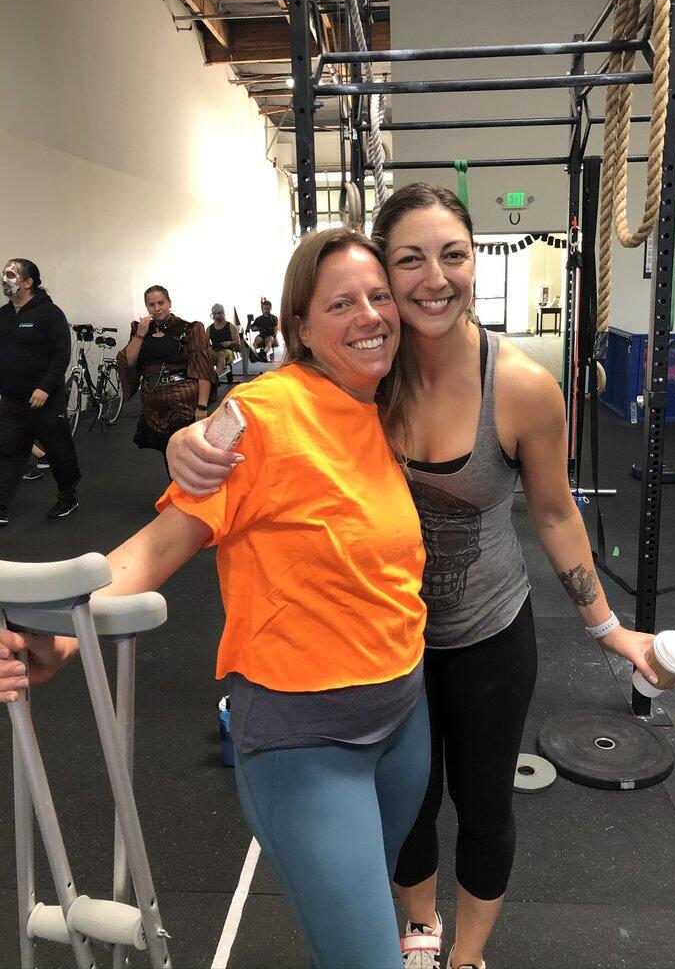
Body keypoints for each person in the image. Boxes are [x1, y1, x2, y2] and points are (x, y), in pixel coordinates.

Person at [165, 185, 662, 969]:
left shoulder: (521, 387)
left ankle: (468, 956)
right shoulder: (365, 373)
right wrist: (191, 435)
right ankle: (422, 931)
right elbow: (270, 409)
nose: (435, 277)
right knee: (410, 807)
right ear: (385, 275)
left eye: (453, 255)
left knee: (485, 804)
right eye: (410, 260)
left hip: (488, 633)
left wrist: (608, 627)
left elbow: (556, 513)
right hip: (389, 644)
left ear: (474, 263)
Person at [0, 228, 432, 969]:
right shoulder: (261, 417)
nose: (369, 315)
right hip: (307, 745)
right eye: (340, 304)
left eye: (379, 296)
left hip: (403, 722)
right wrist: (61, 637)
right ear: (300, 326)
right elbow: (157, 546)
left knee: (353, 933)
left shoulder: (384, 407)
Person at [0, 259, 81, 525]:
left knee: (58, 450)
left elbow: (61, 354)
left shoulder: (49, 313)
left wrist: (45, 387)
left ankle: (68, 496)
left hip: (45, 399)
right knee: (9, 452)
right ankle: (1, 505)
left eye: (11, 275)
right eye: (3, 275)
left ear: (28, 282)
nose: (4, 280)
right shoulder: (3, 315)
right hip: (12, 400)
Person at [116, 285, 217, 475]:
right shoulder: (140, 329)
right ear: (147, 307)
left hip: (183, 401)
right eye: (151, 304)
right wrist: (140, 333)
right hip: (154, 403)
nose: (157, 308)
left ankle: (195, 491)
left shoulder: (190, 328)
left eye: (161, 303)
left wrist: (202, 406)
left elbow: (202, 367)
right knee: (169, 455)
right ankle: (177, 491)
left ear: (169, 303)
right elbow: (129, 361)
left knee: (190, 454)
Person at [207, 304, 241, 383]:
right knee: (204, 354)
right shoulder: (209, 328)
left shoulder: (231, 327)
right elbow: (205, 343)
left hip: (228, 352)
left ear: (223, 313)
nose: (217, 315)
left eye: (219, 313)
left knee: (221, 354)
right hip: (215, 351)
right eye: (215, 314)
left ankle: (216, 375)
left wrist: (229, 343)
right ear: (212, 314)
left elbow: (237, 343)